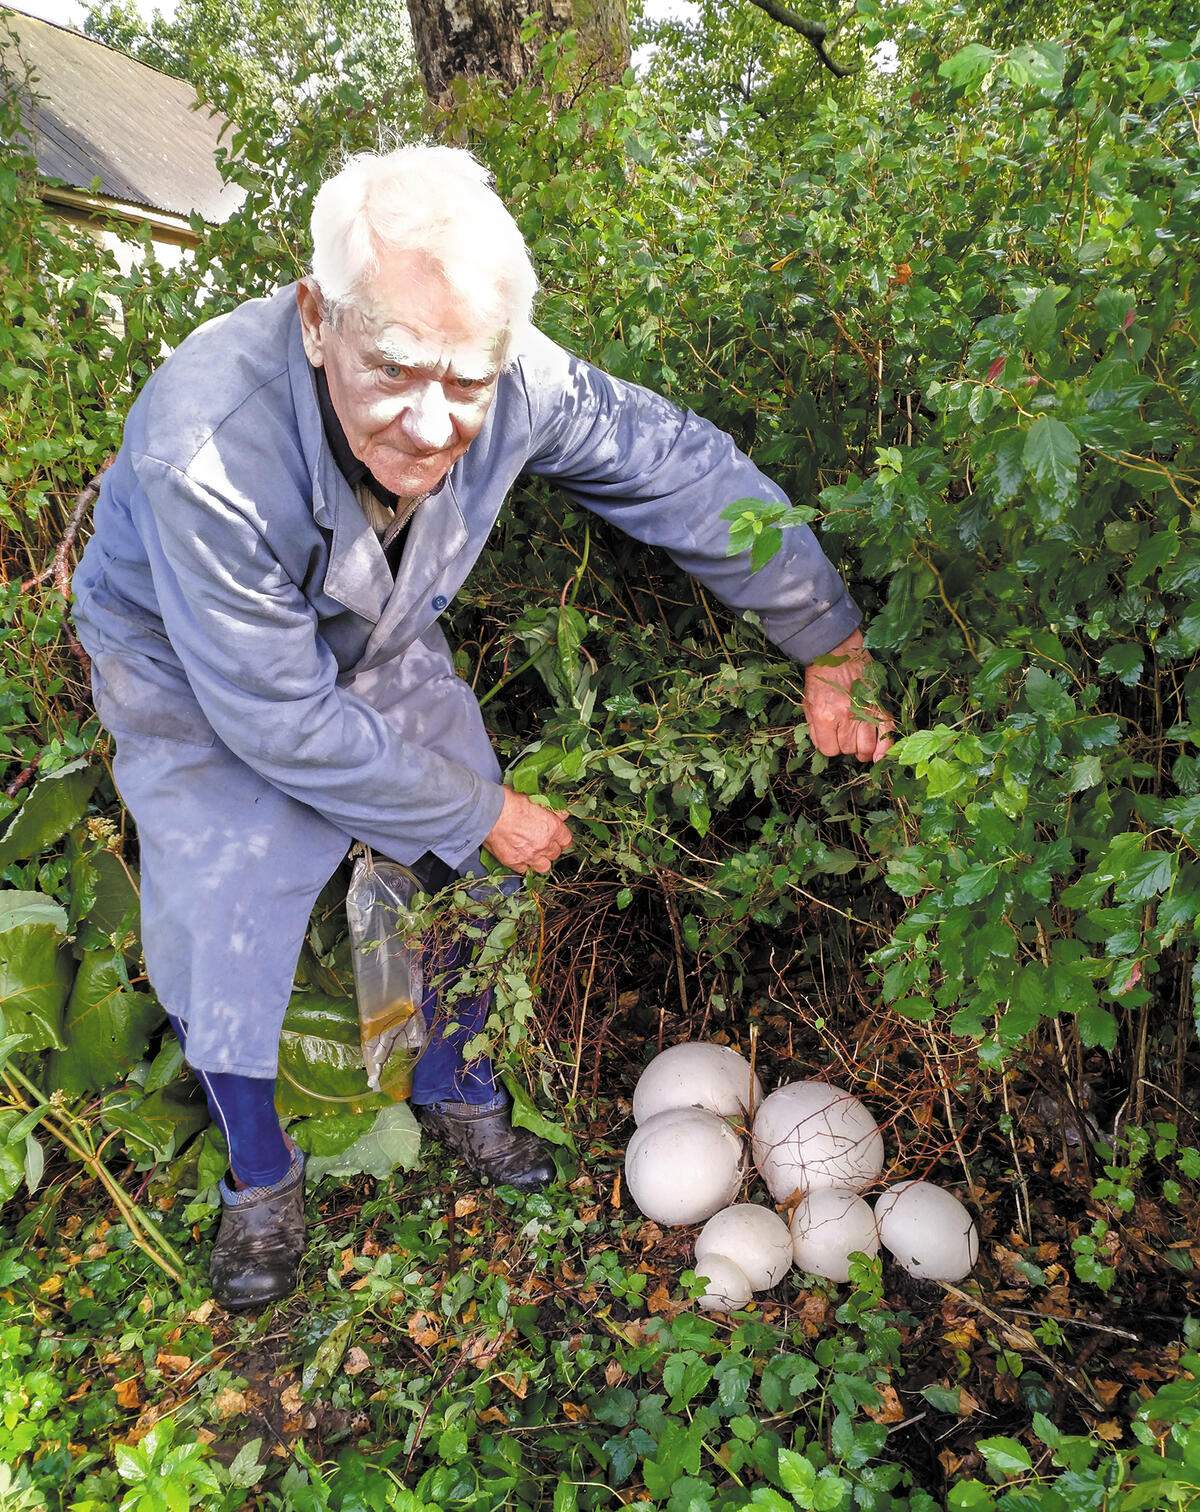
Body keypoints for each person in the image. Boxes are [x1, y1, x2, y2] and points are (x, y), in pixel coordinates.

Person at [71, 144, 894, 1311]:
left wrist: (831, 642)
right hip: (190, 662)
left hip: (377, 626)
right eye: (395, 368)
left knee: (474, 872)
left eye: (467, 382)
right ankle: (258, 1178)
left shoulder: (510, 373)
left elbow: (683, 472)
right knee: (224, 894)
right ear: (317, 320)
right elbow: (278, 719)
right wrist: (483, 809)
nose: (431, 421)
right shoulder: (204, 447)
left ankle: (461, 1089)